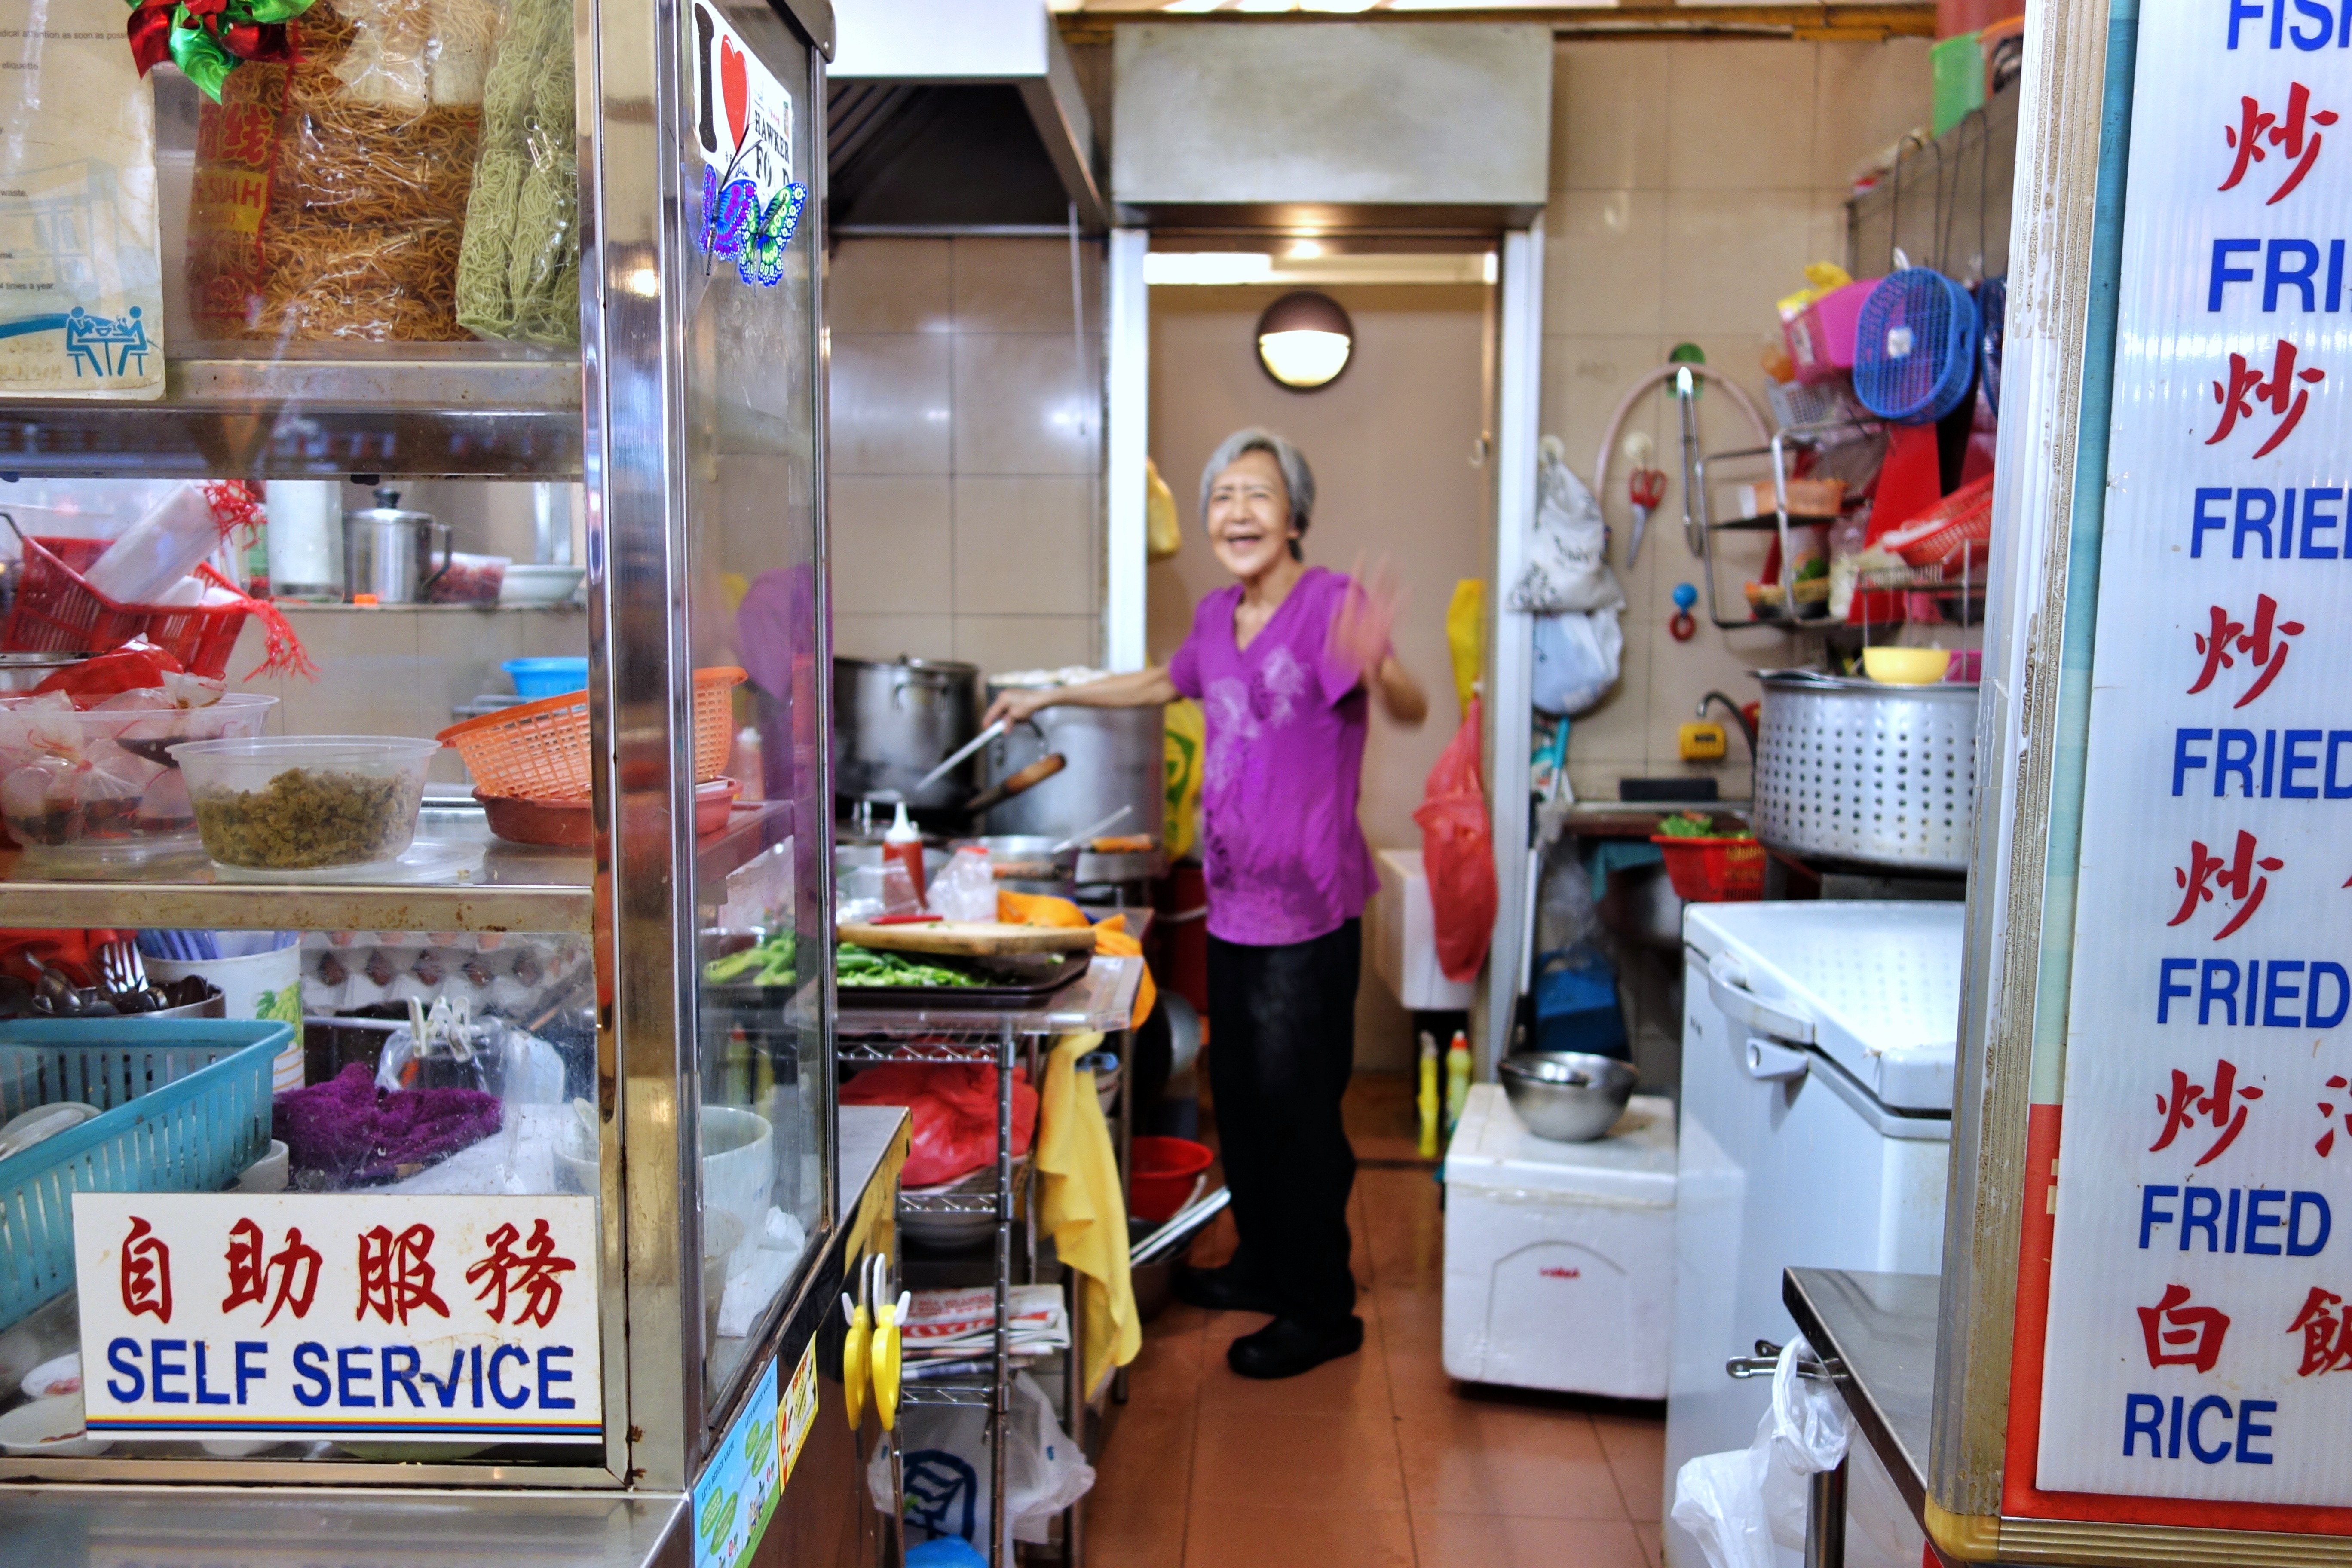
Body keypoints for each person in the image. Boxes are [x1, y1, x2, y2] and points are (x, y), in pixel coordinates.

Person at [984, 427, 1427, 1379]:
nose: (1237, 512)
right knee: (1248, 1104)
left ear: (1296, 516)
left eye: (1259, 494)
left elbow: (1408, 701)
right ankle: (1268, 1266)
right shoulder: (1219, 618)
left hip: (1310, 914)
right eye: (1223, 495)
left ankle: (1322, 1308)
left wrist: (1381, 663)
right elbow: (1159, 680)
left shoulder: (1329, 608)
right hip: (1235, 908)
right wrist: (1037, 700)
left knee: (1301, 1113)